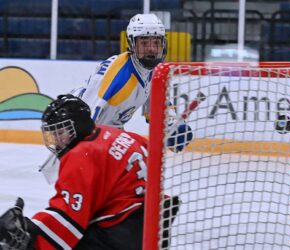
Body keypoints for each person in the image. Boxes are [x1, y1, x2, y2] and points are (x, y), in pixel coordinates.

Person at [0, 94, 178, 249]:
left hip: (124, 233)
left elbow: (68, 219)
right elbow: (154, 159)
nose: (56, 139)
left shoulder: (80, 156)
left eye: (61, 132)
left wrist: (32, 235)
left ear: (77, 126)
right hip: (157, 219)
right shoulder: (117, 134)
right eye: (53, 134)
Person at [75, 13, 193, 153]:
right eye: (144, 43)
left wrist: (171, 125)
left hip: (110, 133)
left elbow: (156, 106)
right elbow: (86, 119)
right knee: (139, 159)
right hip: (83, 134)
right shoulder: (118, 78)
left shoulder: (151, 70)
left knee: (141, 156)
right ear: (132, 44)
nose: (151, 49)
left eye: (156, 42)